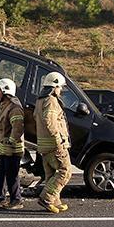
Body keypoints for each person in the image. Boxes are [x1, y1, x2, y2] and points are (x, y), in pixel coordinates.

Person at [35, 72, 71, 214]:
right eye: (60, 87)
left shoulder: (39, 101)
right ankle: (47, 198)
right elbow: (49, 121)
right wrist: (59, 140)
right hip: (54, 144)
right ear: (54, 86)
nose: (61, 90)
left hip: (44, 145)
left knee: (51, 175)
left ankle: (56, 201)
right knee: (65, 172)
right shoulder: (51, 101)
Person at [0, 78, 25, 210]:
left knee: (12, 175)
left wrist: (11, 141)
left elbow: (18, 128)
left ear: (5, 92)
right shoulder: (4, 106)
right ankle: (1, 197)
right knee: (2, 174)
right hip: (4, 149)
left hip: (12, 150)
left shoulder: (14, 108)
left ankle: (17, 199)